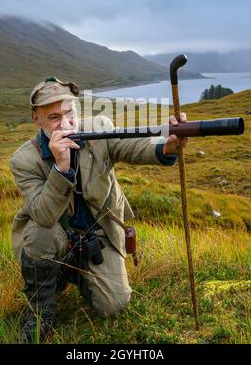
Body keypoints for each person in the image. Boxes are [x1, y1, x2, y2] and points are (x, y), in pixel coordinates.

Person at [10, 76, 188, 343]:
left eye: (70, 112)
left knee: (113, 304)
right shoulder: (24, 160)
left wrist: (167, 144)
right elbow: (44, 214)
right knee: (39, 233)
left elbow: (134, 145)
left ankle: (76, 273)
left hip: (99, 234)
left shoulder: (100, 129)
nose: (66, 122)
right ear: (37, 119)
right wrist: (61, 167)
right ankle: (41, 311)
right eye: (54, 117)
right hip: (54, 233)